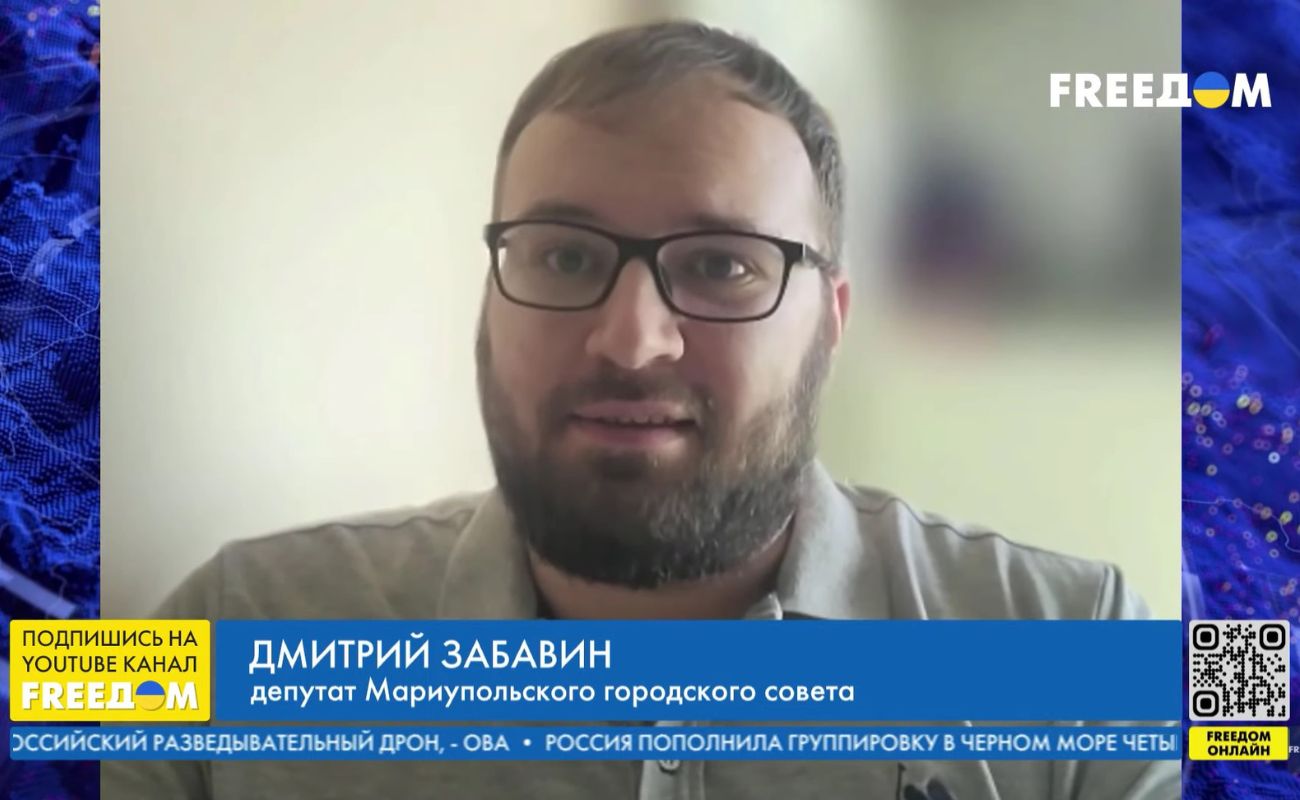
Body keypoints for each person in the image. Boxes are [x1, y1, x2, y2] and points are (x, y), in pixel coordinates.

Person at [103, 20, 1177, 800]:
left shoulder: (1096, 648)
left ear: (831, 320)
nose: (629, 339)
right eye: (564, 256)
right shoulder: (232, 624)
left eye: (721, 264)